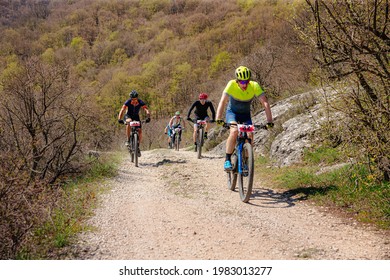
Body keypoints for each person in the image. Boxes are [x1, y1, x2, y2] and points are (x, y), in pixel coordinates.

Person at [215, 66, 274, 171]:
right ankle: (227, 159)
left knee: (250, 135)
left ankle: (246, 161)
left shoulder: (254, 85)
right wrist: (218, 118)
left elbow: (265, 103)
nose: (245, 84)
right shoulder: (231, 84)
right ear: (237, 81)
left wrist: (269, 121)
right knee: (233, 131)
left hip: (245, 115)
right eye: (242, 82)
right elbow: (223, 101)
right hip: (232, 113)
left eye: (247, 81)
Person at [118, 90, 151, 156]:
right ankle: (128, 140)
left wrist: (148, 116)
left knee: (140, 131)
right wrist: (119, 118)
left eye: (135, 99)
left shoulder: (140, 102)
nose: (134, 100)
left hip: (136, 116)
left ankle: (137, 146)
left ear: (137, 98)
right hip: (128, 116)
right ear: (130, 98)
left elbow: (146, 109)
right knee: (129, 122)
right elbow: (122, 110)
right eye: (132, 99)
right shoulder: (128, 102)